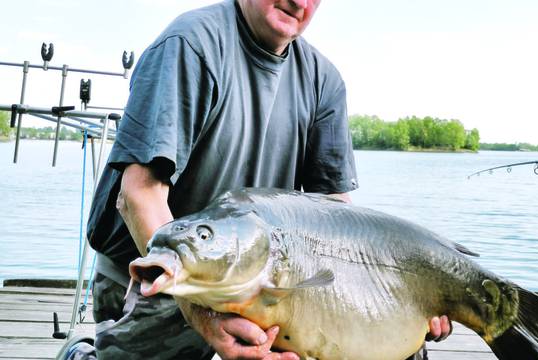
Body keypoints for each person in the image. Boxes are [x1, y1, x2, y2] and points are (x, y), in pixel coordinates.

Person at [63, 0, 451, 359]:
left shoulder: (324, 81)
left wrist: (407, 298)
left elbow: (337, 217)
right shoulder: (190, 44)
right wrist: (205, 317)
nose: (299, 2)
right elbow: (137, 194)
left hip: (263, 279)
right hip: (157, 269)